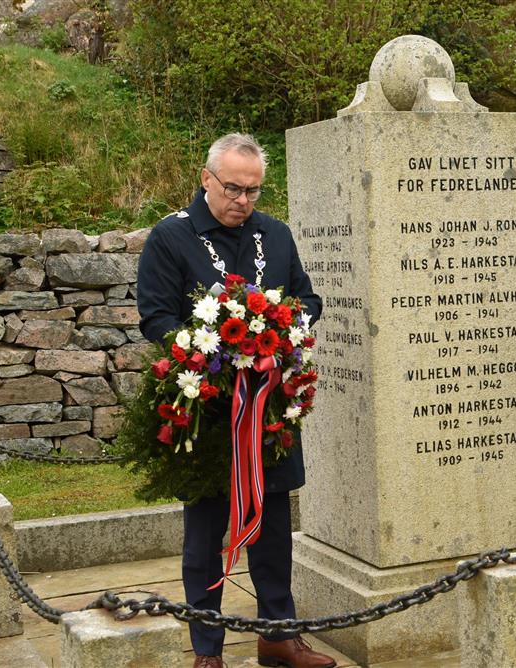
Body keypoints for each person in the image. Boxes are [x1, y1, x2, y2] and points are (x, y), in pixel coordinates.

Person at [138, 133, 335, 668]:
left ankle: (278, 635)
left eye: (253, 190)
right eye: (232, 188)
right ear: (206, 179)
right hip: (206, 410)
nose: (242, 200)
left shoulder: (276, 234)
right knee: (205, 531)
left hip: (269, 408)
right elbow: (156, 318)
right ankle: (208, 651)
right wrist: (214, 353)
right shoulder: (169, 238)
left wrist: (286, 329)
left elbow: (308, 297)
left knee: (273, 525)